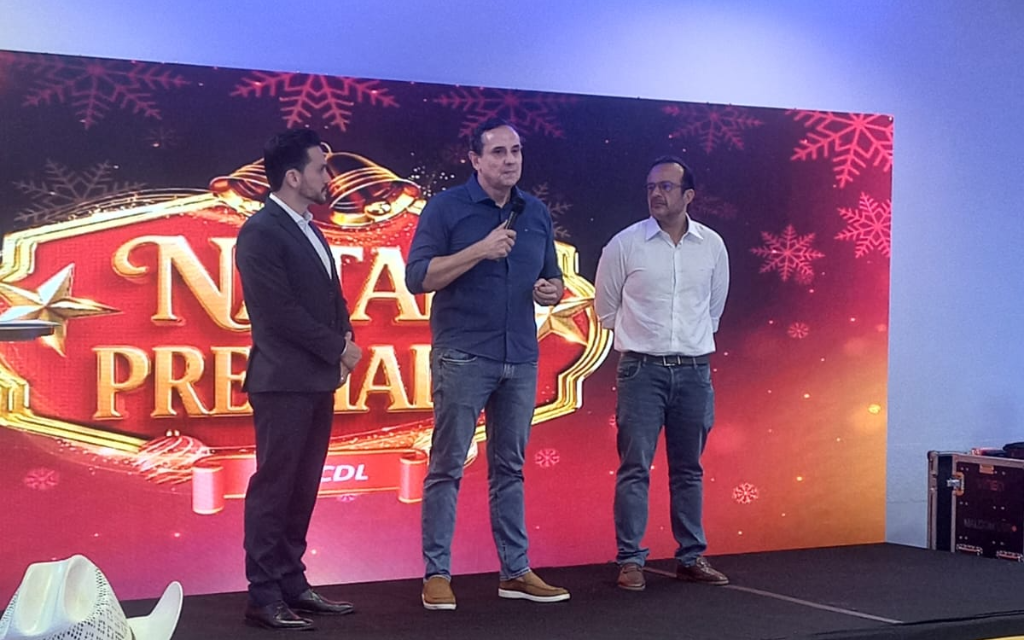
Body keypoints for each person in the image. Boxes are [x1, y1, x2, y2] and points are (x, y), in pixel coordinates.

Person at [405, 117, 570, 611]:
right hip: (462, 354)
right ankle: (437, 574)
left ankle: (515, 571)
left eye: (515, 151)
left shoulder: (534, 212)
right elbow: (418, 278)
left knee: (510, 468)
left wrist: (551, 291)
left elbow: (553, 278)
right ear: (475, 159)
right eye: (498, 152)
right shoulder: (446, 207)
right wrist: (479, 250)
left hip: (520, 356)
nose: (510, 160)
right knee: (447, 465)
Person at [236, 129, 363, 630]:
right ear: (293, 176)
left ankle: (292, 583)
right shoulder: (261, 231)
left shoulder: (309, 227)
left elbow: (331, 297)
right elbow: (278, 313)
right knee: (275, 488)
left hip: (314, 381)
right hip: (282, 382)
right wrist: (338, 347)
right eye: (319, 168)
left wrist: (345, 335)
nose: (328, 177)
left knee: (303, 487)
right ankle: (263, 594)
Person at [594, 156, 730, 592]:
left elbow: (713, 310)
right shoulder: (625, 244)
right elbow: (606, 309)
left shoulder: (712, 246)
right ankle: (630, 560)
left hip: (694, 371)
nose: (656, 193)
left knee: (689, 468)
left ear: (688, 195)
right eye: (651, 186)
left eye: (666, 187)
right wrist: (643, 340)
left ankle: (691, 557)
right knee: (635, 467)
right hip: (642, 371)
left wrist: (685, 344)